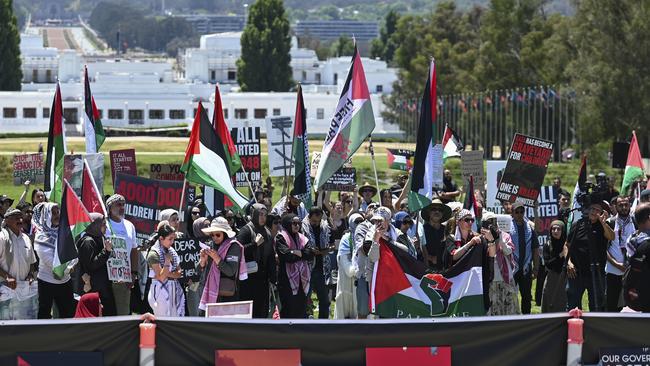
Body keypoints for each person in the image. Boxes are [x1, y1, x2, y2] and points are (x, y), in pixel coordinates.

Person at [443, 209, 496, 313]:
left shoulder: (478, 238)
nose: (470, 222)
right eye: (467, 220)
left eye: (472, 220)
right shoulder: (451, 238)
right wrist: (470, 244)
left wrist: (491, 241)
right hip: (457, 281)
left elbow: (491, 255)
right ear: (459, 222)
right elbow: (453, 256)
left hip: (474, 282)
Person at [566, 201, 613, 311]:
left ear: (602, 213)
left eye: (597, 210)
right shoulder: (577, 224)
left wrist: (603, 222)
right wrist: (569, 262)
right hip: (576, 273)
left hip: (596, 273)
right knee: (573, 305)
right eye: (592, 209)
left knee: (597, 306)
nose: (594, 212)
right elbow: (567, 245)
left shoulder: (604, 226)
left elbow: (611, 237)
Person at [34, 203, 77, 319]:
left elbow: (73, 253)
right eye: (53, 213)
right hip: (46, 282)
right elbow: (50, 261)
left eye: (58, 212)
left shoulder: (65, 232)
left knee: (68, 313)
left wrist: (70, 267)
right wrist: (66, 269)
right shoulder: (41, 236)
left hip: (65, 281)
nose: (57, 215)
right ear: (46, 216)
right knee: (44, 313)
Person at [197, 217, 247, 315]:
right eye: (212, 235)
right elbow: (199, 271)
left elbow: (231, 271)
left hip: (226, 297)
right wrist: (202, 261)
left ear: (225, 234)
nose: (214, 237)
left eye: (218, 235)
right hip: (208, 294)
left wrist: (217, 258)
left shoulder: (234, 246)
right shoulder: (210, 245)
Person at [236, 204, 276, 318]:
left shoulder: (267, 232)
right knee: (249, 313)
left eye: (265, 215)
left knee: (262, 311)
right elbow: (239, 250)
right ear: (254, 215)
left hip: (263, 280)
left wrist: (273, 276)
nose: (263, 218)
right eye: (260, 215)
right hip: (248, 280)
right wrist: (255, 244)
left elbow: (271, 256)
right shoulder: (246, 230)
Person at [0, 209, 38, 320]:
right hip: (6, 289)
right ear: (7, 220)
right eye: (16, 217)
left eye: (21, 217)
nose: (20, 220)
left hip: (23, 289)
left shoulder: (26, 238)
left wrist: (31, 275)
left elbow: (32, 262)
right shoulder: (2, 238)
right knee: (5, 324)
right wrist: (7, 277)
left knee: (24, 324)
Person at [77, 213, 117, 316]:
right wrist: (106, 251)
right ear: (95, 225)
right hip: (94, 289)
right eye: (103, 224)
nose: (106, 227)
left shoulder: (99, 238)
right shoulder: (87, 242)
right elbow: (91, 265)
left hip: (103, 287)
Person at [275, 214, 314, 318]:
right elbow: (286, 256)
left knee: (301, 310)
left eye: (299, 223)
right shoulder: (281, 237)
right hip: (286, 281)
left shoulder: (302, 238)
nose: (297, 226)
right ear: (288, 224)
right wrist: (302, 254)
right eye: (294, 223)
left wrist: (295, 252)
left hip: (302, 281)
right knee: (289, 310)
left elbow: (310, 253)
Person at [105, 194, 138, 315]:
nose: (122, 207)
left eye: (123, 204)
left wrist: (133, 273)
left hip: (124, 278)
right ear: (109, 207)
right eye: (118, 204)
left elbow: (134, 250)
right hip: (106, 278)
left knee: (123, 312)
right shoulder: (104, 225)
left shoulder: (130, 226)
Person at [483, 212, 520, 315]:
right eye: (488, 222)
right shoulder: (482, 237)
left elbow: (508, 251)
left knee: (509, 307)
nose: (491, 224)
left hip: (505, 277)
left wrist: (499, 238)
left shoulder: (505, 235)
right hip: (491, 279)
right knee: (493, 309)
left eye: (493, 221)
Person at [302, 206, 334, 319]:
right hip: (308, 268)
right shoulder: (302, 227)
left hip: (322, 268)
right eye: (314, 221)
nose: (316, 223)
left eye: (318, 220)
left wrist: (328, 249)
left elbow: (330, 240)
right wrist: (310, 251)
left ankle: (323, 323)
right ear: (309, 217)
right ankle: (305, 322)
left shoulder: (324, 226)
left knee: (324, 300)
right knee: (306, 299)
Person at [146, 224, 185, 317]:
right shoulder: (153, 253)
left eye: (173, 238)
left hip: (174, 289)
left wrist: (166, 273)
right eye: (170, 239)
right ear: (161, 238)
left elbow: (180, 273)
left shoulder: (172, 251)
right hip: (160, 291)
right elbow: (161, 277)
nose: (172, 241)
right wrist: (167, 261)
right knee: (162, 320)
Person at [605, 196, 635, 312]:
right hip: (613, 271)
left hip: (632, 272)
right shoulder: (610, 223)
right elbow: (604, 249)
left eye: (626, 205)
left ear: (630, 205)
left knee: (632, 304)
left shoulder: (636, 222)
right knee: (611, 305)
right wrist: (616, 264)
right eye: (620, 205)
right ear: (615, 207)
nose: (623, 208)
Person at [509, 202, 539, 314]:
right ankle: (511, 318)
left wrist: (536, 268)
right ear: (512, 213)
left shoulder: (530, 228)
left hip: (526, 268)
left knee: (526, 297)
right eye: (517, 212)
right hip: (512, 268)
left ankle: (526, 319)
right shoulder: (507, 227)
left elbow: (535, 249)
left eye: (522, 211)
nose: (519, 214)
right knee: (510, 296)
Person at [334, 213, 363, 319]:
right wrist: (356, 270)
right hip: (347, 281)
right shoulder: (346, 238)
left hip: (360, 281)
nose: (359, 224)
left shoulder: (366, 237)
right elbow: (345, 263)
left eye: (361, 221)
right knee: (344, 308)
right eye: (357, 222)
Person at [541, 220, 568, 313]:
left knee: (562, 301)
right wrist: (560, 255)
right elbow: (548, 263)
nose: (555, 231)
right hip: (552, 277)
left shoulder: (566, 245)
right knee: (549, 300)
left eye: (558, 229)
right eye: (553, 229)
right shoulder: (547, 245)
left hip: (564, 277)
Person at [186, 217, 210, 316]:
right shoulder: (188, 244)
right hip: (194, 285)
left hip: (209, 284)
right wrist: (186, 278)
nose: (209, 228)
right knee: (196, 314)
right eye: (205, 226)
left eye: (210, 225)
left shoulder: (213, 243)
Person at [420, 199, 452, 272]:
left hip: (444, 269)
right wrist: (430, 258)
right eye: (434, 209)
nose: (437, 212)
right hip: (426, 269)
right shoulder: (422, 230)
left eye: (440, 210)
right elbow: (418, 249)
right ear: (429, 212)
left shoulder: (446, 230)